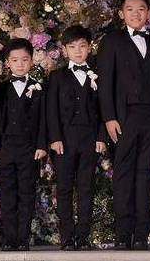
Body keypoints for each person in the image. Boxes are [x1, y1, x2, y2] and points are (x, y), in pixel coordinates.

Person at [97, 0, 150, 250]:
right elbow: (105, 83)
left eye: (141, 9)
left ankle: (141, 233)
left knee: (145, 172)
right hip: (124, 116)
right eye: (130, 9)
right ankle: (123, 233)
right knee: (124, 172)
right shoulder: (112, 41)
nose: (136, 14)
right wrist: (109, 117)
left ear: (148, 14)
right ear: (121, 14)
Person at [46, 25, 107, 250]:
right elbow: (51, 110)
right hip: (65, 139)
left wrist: (101, 136)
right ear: (65, 50)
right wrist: (55, 138)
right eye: (72, 47)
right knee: (63, 187)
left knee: (86, 187)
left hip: (90, 138)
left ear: (89, 48)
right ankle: (67, 236)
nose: (78, 51)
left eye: (82, 46)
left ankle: (83, 235)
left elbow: (104, 108)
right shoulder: (57, 76)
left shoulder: (98, 74)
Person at [0, 38, 47, 251]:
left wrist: (41, 145)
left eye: (24, 59)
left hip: (29, 149)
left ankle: (23, 238)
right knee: (7, 193)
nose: (20, 64)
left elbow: (44, 120)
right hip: (5, 148)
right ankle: (10, 237)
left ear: (32, 61)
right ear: (7, 62)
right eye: (15, 60)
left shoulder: (39, 89)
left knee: (27, 193)